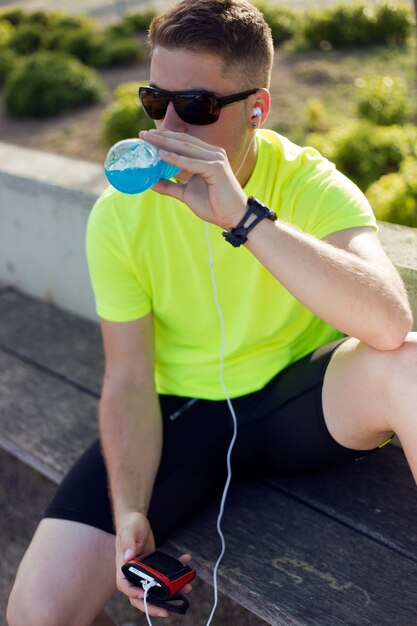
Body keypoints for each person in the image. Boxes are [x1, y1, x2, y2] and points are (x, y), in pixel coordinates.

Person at [7, 0, 417, 624]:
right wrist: (131, 512)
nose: (169, 123)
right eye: (154, 101)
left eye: (196, 106)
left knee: (410, 362)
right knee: (36, 609)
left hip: (296, 402)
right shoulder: (120, 214)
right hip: (183, 420)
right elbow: (126, 379)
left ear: (257, 108)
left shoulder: (310, 183)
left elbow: (389, 323)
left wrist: (244, 219)